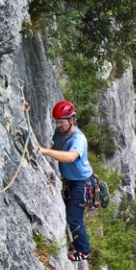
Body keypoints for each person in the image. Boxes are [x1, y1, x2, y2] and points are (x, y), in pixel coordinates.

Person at [39, 101, 93, 261]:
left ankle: (84, 250)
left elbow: (71, 157)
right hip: (70, 181)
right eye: (56, 121)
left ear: (72, 120)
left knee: (74, 217)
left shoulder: (79, 139)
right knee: (70, 214)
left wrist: (45, 152)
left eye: (61, 122)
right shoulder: (60, 133)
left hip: (81, 183)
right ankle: (76, 243)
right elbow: (55, 145)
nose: (58, 125)